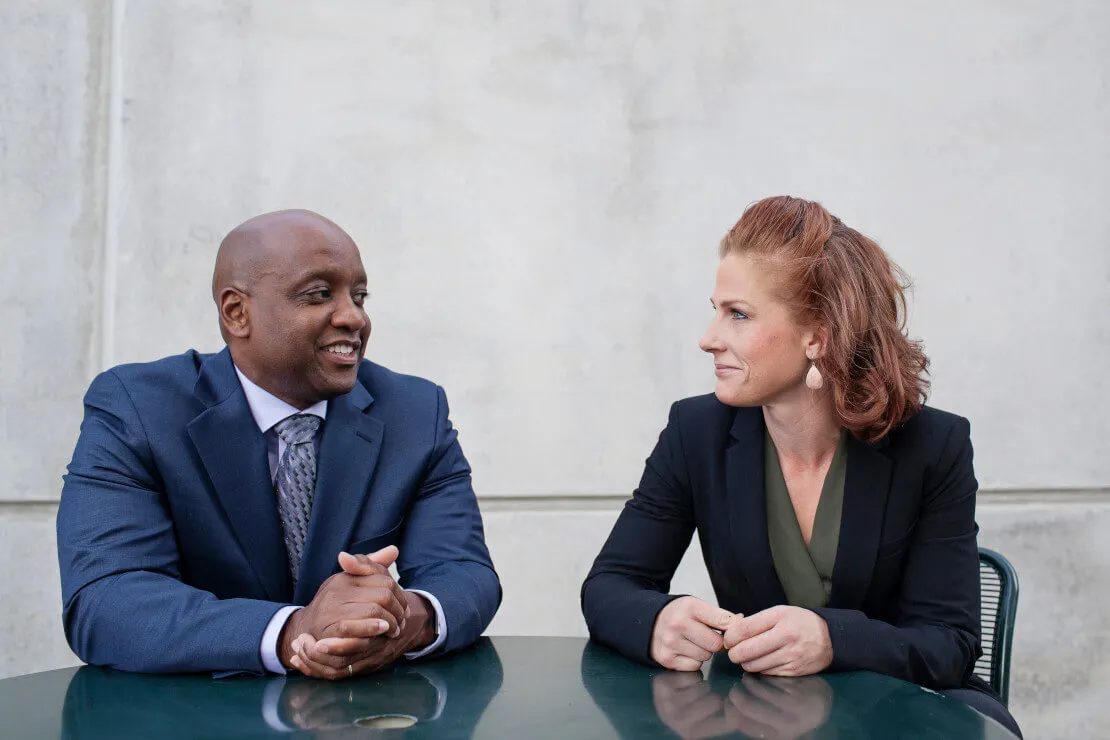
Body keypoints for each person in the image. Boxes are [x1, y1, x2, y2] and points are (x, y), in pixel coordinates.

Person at [581, 196, 1021, 736]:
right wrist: (656, 621)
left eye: (737, 314)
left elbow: (949, 643)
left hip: (891, 714)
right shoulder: (695, 432)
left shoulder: (934, 445)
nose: (708, 337)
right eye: (715, 309)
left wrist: (831, 638)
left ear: (818, 336)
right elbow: (610, 585)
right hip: (754, 716)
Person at [57, 209, 500, 679]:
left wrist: (400, 617)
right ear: (236, 313)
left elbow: (463, 572)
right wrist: (291, 631)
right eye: (319, 295)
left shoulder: (415, 411)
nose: (354, 316)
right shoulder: (137, 409)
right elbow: (105, 600)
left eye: (360, 296)